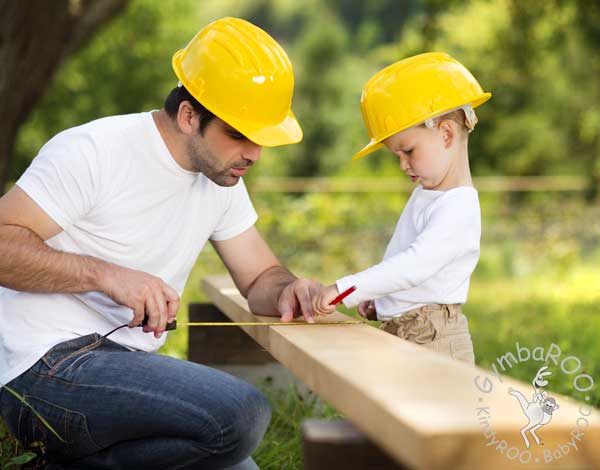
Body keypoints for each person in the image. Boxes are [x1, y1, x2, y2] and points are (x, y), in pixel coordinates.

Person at [0, 17, 321, 469]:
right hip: (45, 371)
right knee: (242, 413)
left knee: (240, 465)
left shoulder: (222, 178)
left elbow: (261, 277)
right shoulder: (94, 150)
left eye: (262, 139)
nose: (254, 153)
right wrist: (106, 275)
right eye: (238, 134)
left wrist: (290, 290)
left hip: (121, 369)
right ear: (190, 115)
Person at [313, 52, 491, 365]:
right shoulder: (427, 194)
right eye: (397, 155)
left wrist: (344, 291)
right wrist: (383, 302)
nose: (402, 164)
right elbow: (405, 267)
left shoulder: (458, 207)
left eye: (408, 150)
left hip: (434, 339)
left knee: (435, 415)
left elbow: (414, 266)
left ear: (446, 134)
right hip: (406, 331)